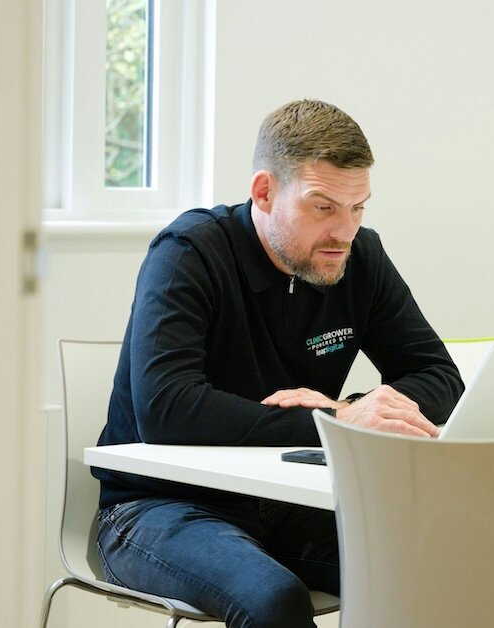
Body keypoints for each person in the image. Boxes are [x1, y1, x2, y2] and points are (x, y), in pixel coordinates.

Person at [92, 99, 464, 628]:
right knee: (275, 599)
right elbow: (166, 408)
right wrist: (334, 424)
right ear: (264, 192)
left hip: (290, 500)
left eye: (358, 208)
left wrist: (344, 407)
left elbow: (440, 376)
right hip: (159, 505)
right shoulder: (189, 252)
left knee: (440, 564)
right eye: (323, 207)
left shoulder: (360, 257)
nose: (344, 231)